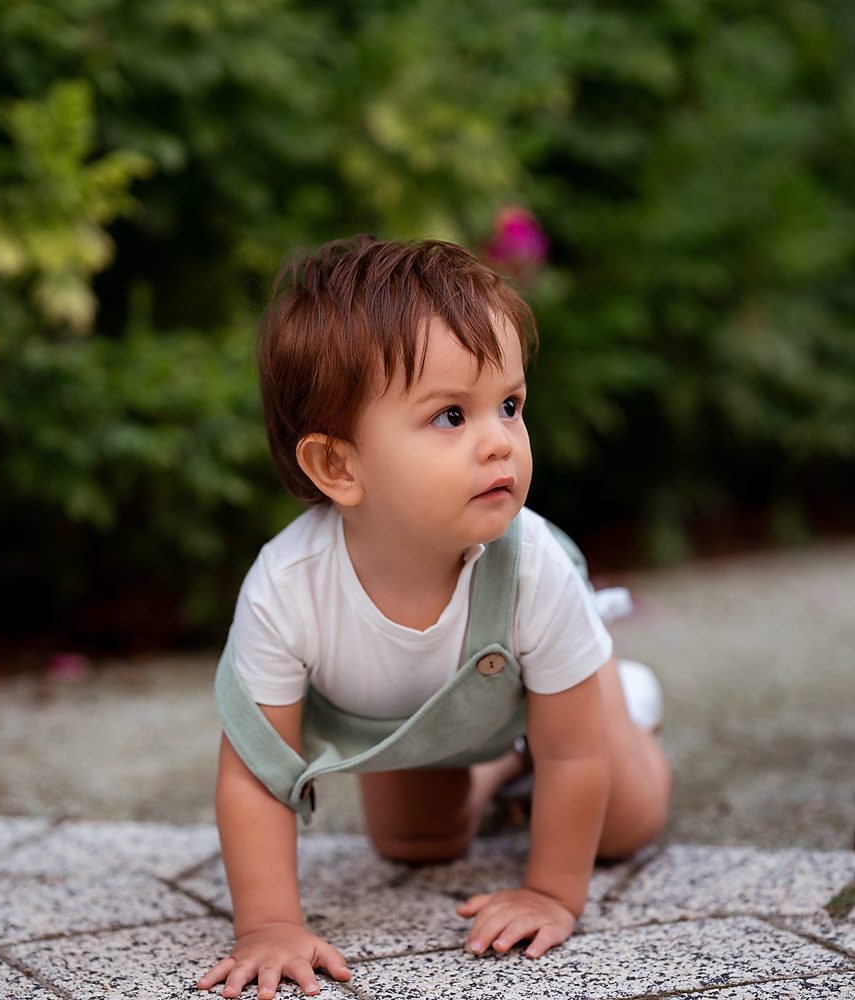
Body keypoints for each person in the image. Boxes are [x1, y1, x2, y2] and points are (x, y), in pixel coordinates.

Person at [196, 235, 671, 1000]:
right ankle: (501, 759)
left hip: (558, 701)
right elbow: (256, 776)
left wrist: (550, 893)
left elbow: (575, 760)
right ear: (339, 467)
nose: (499, 443)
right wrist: (269, 926)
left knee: (624, 825)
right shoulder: (288, 588)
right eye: (451, 415)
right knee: (415, 844)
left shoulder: (532, 564)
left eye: (509, 406)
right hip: (414, 716)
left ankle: (619, 692)